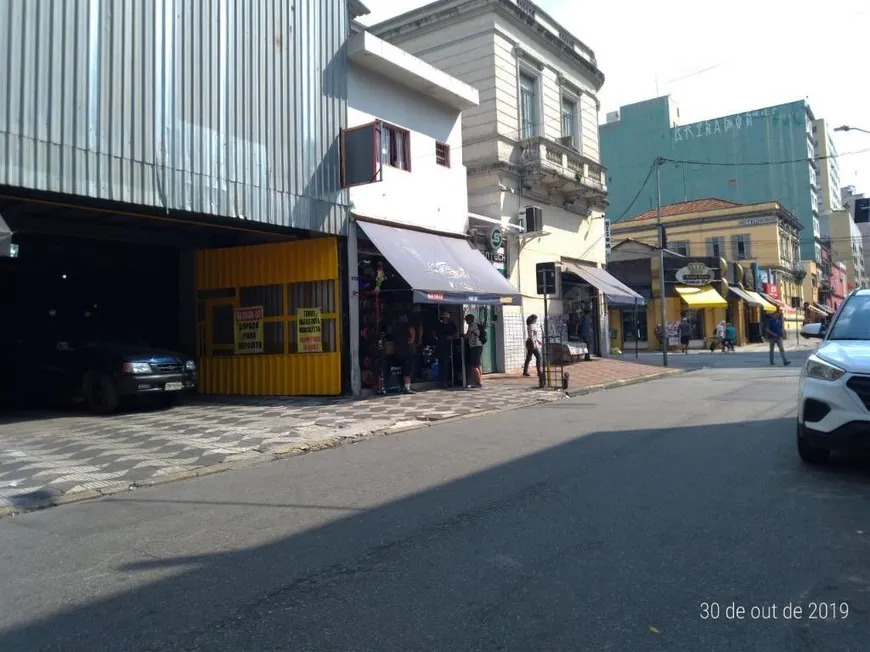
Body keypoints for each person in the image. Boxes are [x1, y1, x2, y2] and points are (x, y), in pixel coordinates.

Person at [393, 314, 417, 394]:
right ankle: (407, 387)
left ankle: (407, 386)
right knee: (408, 369)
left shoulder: (396, 327)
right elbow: (412, 338)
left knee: (405, 369)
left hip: (400, 352)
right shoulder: (409, 327)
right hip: (408, 351)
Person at [436, 311, 458, 388]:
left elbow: (455, 333)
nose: (445, 319)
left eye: (446, 318)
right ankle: (442, 381)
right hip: (441, 346)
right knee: (442, 363)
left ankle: (447, 381)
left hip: (449, 347)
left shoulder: (451, 325)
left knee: (447, 364)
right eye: (444, 318)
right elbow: (436, 334)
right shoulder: (439, 325)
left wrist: (452, 337)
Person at [464, 313, 484, 389]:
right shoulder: (475, 325)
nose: (466, 322)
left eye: (466, 320)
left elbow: (467, 336)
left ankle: (478, 383)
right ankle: (479, 381)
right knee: (478, 364)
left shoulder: (472, 325)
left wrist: (462, 336)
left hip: (475, 347)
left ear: (469, 319)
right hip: (479, 346)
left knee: (473, 366)